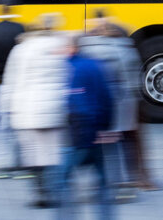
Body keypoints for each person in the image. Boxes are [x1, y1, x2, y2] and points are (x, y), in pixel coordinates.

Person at [0, 13, 69, 208]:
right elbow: (66, 77)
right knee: (52, 153)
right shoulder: (59, 46)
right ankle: (55, 189)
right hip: (54, 108)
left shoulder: (20, 50)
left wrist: (6, 110)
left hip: (26, 110)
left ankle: (40, 193)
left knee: (32, 154)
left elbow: (10, 82)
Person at [79, 14, 142, 201]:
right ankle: (126, 185)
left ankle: (103, 184)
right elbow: (134, 79)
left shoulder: (90, 51)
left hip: (103, 104)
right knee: (122, 145)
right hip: (125, 104)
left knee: (103, 146)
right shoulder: (126, 48)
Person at [56, 34, 114, 219]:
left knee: (62, 178)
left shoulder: (74, 68)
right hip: (96, 131)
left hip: (81, 134)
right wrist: (104, 127)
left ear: (72, 48)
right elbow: (107, 98)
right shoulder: (95, 64)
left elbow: (77, 103)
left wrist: (83, 134)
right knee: (103, 182)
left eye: (64, 47)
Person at [0, 0, 26, 178]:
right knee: (18, 125)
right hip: (16, 83)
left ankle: (0, 165)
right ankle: (19, 165)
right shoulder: (20, 28)